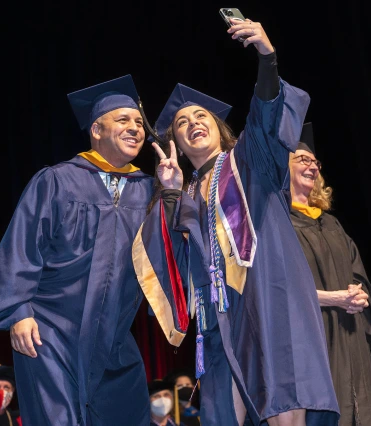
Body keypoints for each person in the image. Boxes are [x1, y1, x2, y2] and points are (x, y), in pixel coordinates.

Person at [133, 17, 339, 426]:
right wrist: (171, 191)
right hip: (218, 318)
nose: (193, 123)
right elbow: (170, 260)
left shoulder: (248, 162)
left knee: (283, 406)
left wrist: (267, 58)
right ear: (175, 140)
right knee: (223, 415)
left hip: (269, 297)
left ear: (217, 126)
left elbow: (265, 118)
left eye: (201, 116)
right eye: (182, 122)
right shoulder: (185, 194)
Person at [0, 74, 154, 425]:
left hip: (114, 340)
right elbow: (19, 251)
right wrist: (19, 312)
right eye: (123, 120)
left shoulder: (148, 191)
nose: (135, 127)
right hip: (50, 332)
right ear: (96, 130)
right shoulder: (58, 180)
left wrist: (171, 192)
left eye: (139, 122)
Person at [289, 122, 371, 426]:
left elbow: (358, 273)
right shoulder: (277, 223)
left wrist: (359, 294)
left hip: (350, 334)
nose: (312, 165)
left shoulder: (332, 224)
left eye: (315, 161)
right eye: (302, 159)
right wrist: (332, 298)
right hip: (311, 337)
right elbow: (277, 286)